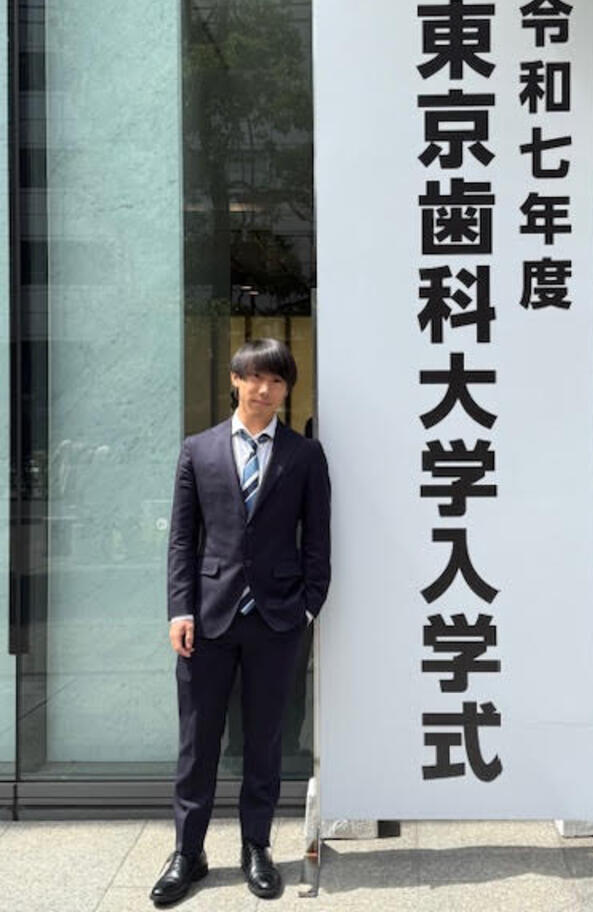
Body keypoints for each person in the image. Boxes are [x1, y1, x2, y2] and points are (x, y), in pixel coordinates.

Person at [150, 338, 331, 905]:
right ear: (235, 380)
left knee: (265, 739)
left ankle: (257, 846)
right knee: (198, 739)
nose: (264, 389)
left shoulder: (304, 455)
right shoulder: (198, 450)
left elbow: (318, 540)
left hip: (277, 621)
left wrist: (307, 607)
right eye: (255, 377)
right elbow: (182, 539)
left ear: (286, 389)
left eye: (276, 381)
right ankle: (188, 852)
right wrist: (180, 609)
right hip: (207, 619)